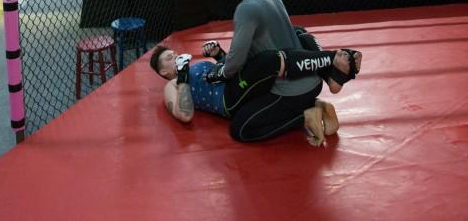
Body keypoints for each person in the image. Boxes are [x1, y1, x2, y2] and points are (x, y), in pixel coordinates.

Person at [215, 0, 360, 143]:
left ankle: (307, 116)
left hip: (290, 91)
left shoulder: (245, 9)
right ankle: (316, 104)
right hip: (312, 81)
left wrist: (220, 72)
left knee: (240, 128)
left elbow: (234, 63)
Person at [149, 42, 361, 146]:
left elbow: (224, 71)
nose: (176, 56)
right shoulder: (173, 84)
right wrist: (183, 75)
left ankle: (320, 93)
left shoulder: (198, 65)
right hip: (231, 99)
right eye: (170, 58)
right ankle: (316, 101)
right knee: (268, 64)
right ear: (163, 72)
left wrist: (219, 55)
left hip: (243, 84)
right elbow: (184, 114)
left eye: (175, 53)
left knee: (270, 58)